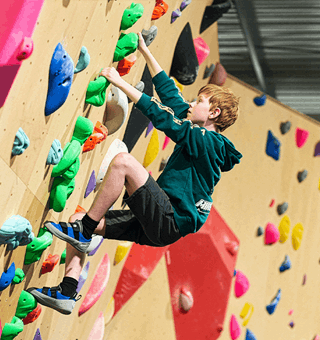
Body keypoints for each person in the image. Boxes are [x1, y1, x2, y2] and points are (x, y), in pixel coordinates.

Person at [27, 32, 242, 314]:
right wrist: (144, 51)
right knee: (78, 218)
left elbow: (164, 117)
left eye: (198, 101)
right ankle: (66, 292)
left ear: (213, 113)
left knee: (123, 163)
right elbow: (171, 99)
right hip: (159, 224)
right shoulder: (198, 133)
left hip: (171, 219)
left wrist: (120, 82)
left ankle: (85, 231)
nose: (191, 104)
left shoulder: (208, 142)